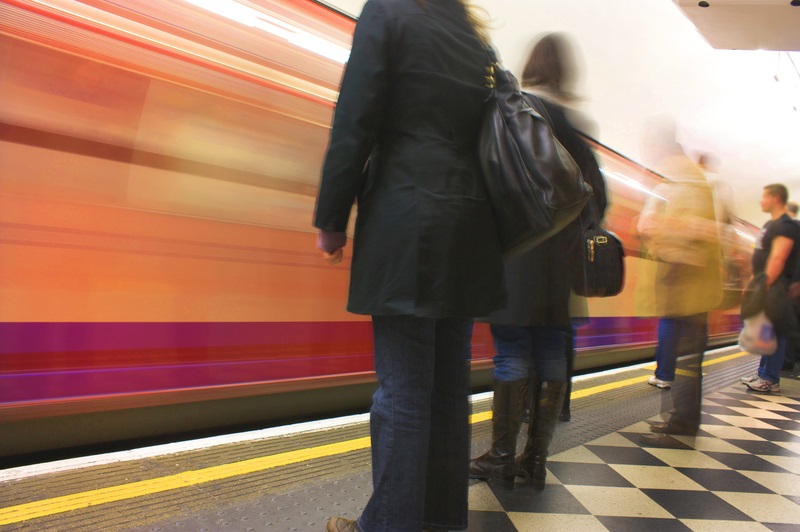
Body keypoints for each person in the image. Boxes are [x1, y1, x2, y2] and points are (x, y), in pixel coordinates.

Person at [314, 1, 506, 530]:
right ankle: (443, 522)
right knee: (447, 390)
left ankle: (390, 524)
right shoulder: (470, 32)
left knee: (402, 391)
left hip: (409, 215)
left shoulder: (388, 12)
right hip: (469, 224)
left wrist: (333, 217)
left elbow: (356, 118)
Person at [469, 33, 607, 489]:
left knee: (512, 351)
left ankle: (501, 456)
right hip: (562, 266)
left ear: (531, 67)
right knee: (550, 351)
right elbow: (596, 200)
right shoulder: (578, 125)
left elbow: (497, 179)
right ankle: (535, 459)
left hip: (522, 256)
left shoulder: (518, 111)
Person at [636, 116, 722, 445]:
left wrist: (657, 230)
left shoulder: (684, 181)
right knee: (686, 360)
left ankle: (683, 421)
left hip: (687, 285)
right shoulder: (690, 180)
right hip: (690, 287)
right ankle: (680, 418)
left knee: (686, 360)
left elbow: (690, 230)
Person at [740, 184, 799, 393]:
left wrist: (763, 284)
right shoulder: (771, 224)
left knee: (776, 331)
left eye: (764, 197)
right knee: (767, 330)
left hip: (776, 286)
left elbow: (778, 257)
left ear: (775, 198)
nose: (760, 201)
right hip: (768, 283)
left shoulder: (786, 226)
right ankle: (763, 372)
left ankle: (770, 378)